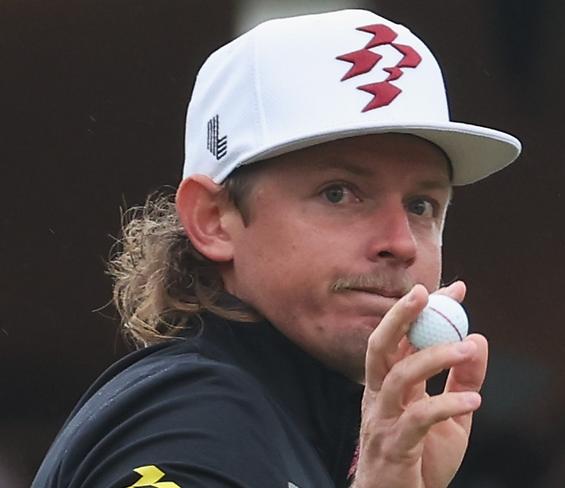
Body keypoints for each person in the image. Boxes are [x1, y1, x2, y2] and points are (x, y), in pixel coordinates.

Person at [33, 9, 521, 488]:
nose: (399, 242)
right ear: (213, 221)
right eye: (339, 192)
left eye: (421, 205)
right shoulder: (195, 422)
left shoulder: (306, 427)